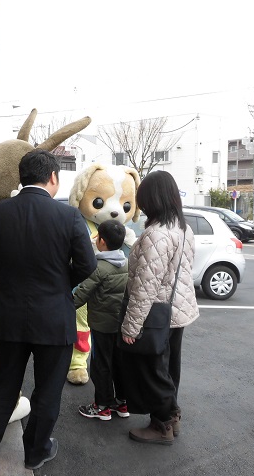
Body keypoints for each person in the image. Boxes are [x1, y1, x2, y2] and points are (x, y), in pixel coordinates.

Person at [0, 149, 97, 470]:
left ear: (21, 178)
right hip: (54, 317)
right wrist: (60, 283)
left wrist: (12, 279)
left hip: (10, 315)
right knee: (48, 390)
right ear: (52, 177)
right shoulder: (68, 216)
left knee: (2, 383)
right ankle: (36, 450)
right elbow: (88, 264)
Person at [120, 170, 199, 445]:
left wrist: (131, 326)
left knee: (152, 371)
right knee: (168, 369)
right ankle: (172, 415)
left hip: (156, 314)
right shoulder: (183, 228)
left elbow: (145, 287)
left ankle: (162, 425)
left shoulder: (157, 234)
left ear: (152, 199)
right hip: (177, 312)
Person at [74, 219, 130, 421]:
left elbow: (82, 294)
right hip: (122, 325)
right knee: (119, 363)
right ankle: (122, 404)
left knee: (101, 365)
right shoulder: (127, 263)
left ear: (102, 241)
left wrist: (64, 307)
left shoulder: (99, 267)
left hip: (101, 326)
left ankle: (102, 406)